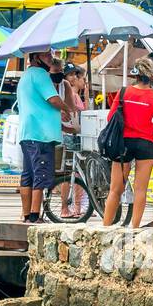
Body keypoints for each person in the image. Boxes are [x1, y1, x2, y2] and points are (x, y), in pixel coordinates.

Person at [102, 56, 153, 228]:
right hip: (146, 144)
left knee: (115, 189)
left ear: (135, 74)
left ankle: (105, 226)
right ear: (150, 74)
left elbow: (110, 117)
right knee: (140, 190)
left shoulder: (123, 93)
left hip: (123, 144)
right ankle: (134, 228)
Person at [17, 51, 72, 223]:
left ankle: (27, 215)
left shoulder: (26, 75)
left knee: (28, 175)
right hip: (40, 134)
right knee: (40, 174)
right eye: (46, 55)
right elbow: (53, 99)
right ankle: (34, 215)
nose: (50, 58)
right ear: (35, 58)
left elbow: (40, 104)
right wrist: (67, 109)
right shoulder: (40, 74)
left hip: (28, 132)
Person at [56, 63, 89, 217]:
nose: (74, 78)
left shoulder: (73, 95)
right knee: (69, 173)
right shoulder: (71, 95)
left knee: (73, 174)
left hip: (71, 134)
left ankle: (74, 207)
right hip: (69, 135)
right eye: (71, 75)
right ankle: (66, 207)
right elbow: (76, 115)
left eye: (76, 75)